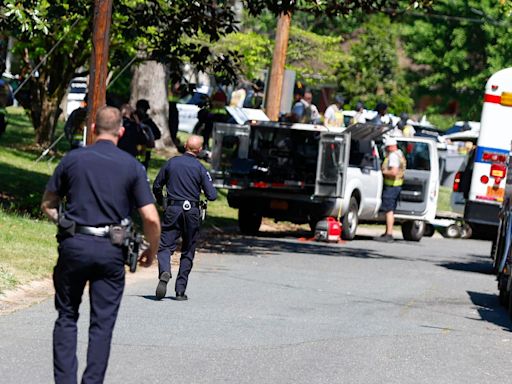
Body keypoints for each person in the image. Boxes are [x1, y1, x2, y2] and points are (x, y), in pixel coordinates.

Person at [41, 106, 161, 384]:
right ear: (121, 131)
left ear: (93, 129)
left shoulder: (73, 159)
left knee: (67, 316)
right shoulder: (132, 166)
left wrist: (67, 223)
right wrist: (151, 252)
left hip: (74, 246)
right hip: (111, 251)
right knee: (102, 325)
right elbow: (151, 219)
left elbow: (48, 204)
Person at [153, 135, 217, 301]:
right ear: (199, 150)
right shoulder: (200, 168)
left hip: (173, 209)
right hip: (192, 212)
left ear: (185, 146)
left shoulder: (171, 163)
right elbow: (212, 195)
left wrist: (162, 201)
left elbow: (157, 185)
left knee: (165, 245)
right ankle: (180, 290)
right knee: (188, 249)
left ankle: (165, 271)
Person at [375, 137, 406, 242]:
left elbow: (393, 172)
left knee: (389, 210)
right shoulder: (399, 153)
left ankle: (389, 233)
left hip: (391, 186)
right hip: (396, 186)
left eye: (387, 147)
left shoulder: (393, 156)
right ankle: (388, 232)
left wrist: (382, 171)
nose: (386, 150)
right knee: (390, 210)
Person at [135, 99, 162, 168]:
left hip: (144, 152)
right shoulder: (132, 119)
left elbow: (157, 134)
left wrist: (148, 137)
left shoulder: (148, 122)